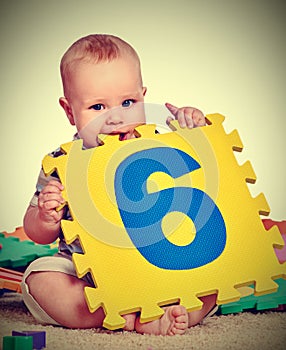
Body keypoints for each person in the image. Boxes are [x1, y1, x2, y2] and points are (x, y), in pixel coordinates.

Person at [22, 34, 217, 336]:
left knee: (213, 279)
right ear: (70, 110)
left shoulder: (157, 144)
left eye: (128, 102)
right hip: (89, 275)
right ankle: (119, 316)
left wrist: (192, 129)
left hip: (161, 265)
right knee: (39, 279)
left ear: (143, 96)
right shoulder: (62, 161)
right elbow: (36, 233)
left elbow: (207, 169)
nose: (116, 118)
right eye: (98, 107)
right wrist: (46, 216)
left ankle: (166, 312)